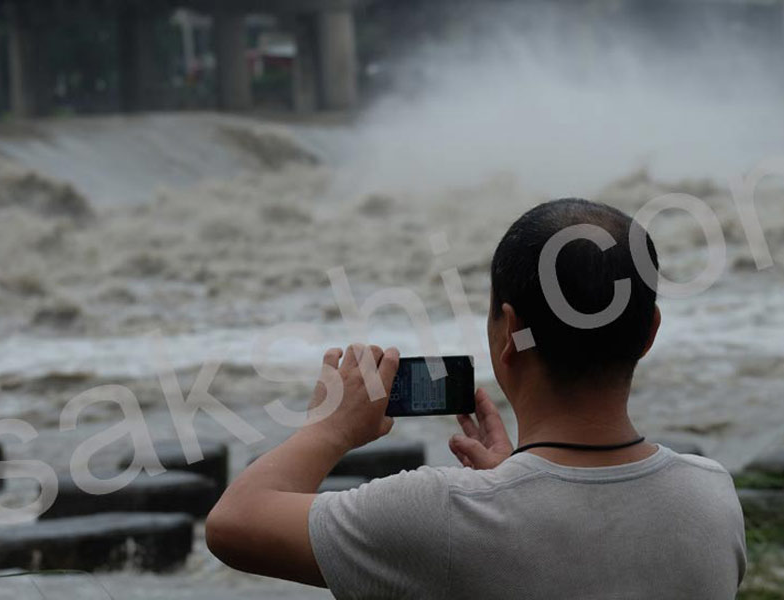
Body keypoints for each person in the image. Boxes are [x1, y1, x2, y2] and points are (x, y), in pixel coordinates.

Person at [206, 198, 746, 599]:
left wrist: (330, 428)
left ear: (508, 331)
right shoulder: (713, 498)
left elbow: (234, 523)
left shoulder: (444, 513)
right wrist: (519, 474)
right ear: (649, 332)